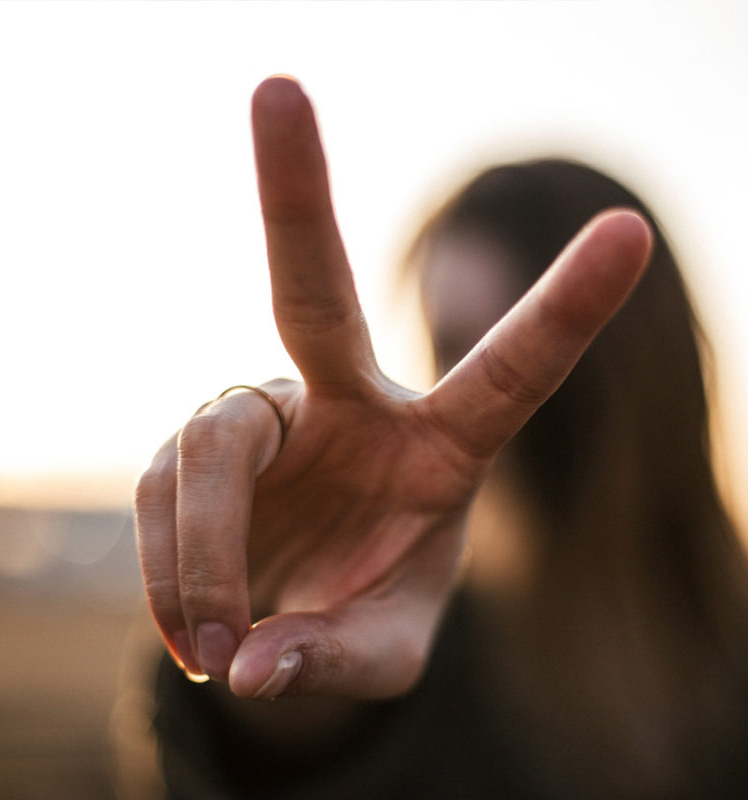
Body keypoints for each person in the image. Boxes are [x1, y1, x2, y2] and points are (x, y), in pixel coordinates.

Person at [132, 76, 748, 798]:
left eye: (534, 350)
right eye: (450, 350)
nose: (474, 399)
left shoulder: (725, 657)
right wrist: (279, 640)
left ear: (639, 373)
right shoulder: (417, 654)